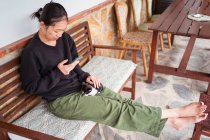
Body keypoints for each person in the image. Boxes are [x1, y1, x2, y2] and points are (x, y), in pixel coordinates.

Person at [20, 2, 208, 138]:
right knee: (115, 109)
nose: (60, 35)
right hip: (61, 100)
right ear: (42, 25)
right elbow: (31, 87)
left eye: (63, 30)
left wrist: (86, 75)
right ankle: (173, 114)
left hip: (81, 86)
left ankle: (171, 122)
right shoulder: (32, 52)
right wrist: (58, 73)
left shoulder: (65, 39)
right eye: (56, 31)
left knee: (121, 101)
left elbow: (74, 63)